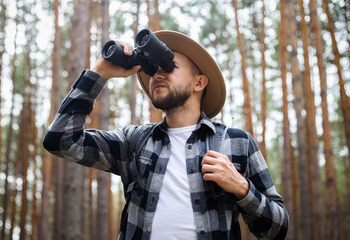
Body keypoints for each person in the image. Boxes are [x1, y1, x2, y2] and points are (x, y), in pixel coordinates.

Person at [43, 30, 288, 240]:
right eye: (153, 69)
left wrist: (242, 188)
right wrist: (100, 71)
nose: (157, 74)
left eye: (169, 66)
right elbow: (60, 140)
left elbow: (277, 229)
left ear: (199, 83)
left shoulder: (236, 142)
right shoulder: (134, 141)